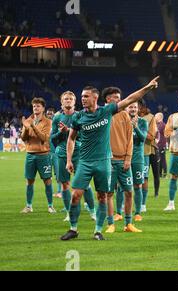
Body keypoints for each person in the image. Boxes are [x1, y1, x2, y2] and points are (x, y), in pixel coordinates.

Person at [60, 76, 159, 241]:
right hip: (84, 161)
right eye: (82, 96)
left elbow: (130, 99)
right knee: (76, 195)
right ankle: (73, 228)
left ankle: (98, 230)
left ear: (95, 97)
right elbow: (71, 138)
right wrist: (69, 160)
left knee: (103, 196)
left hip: (104, 162)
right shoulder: (78, 117)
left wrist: (148, 87)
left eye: (86, 96)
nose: (83, 99)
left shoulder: (106, 112)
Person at [50, 91, 96, 221]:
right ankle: (69, 213)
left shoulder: (81, 116)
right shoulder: (57, 117)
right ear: (61, 102)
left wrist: (68, 131)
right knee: (65, 185)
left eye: (71, 98)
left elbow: (85, 135)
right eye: (66, 99)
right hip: (62, 154)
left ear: (75, 102)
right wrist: (60, 133)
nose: (68, 100)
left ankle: (93, 211)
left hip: (79, 153)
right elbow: (52, 138)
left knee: (85, 183)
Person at [102, 87, 141, 234]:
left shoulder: (125, 115)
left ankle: (128, 224)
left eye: (119, 97)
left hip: (123, 160)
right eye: (115, 97)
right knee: (109, 193)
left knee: (129, 192)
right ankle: (110, 223)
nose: (118, 100)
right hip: (108, 161)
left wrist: (128, 158)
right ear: (108, 99)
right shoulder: (103, 114)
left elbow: (130, 138)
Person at [20, 98, 55, 214]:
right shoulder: (28, 120)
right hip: (30, 155)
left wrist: (32, 127)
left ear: (43, 108)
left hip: (43, 155)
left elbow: (44, 138)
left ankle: (50, 206)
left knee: (47, 180)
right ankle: (29, 206)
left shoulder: (48, 122)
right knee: (29, 181)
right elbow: (23, 138)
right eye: (34, 106)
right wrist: (25, 128)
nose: (36, 108)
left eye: (38, 106)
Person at [127, 101, 148, 222]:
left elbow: (143, 138)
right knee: (122, 186)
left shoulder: (142, 122)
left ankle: (138, 212)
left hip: (137, 158)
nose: (133, 109)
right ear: (126, 108)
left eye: (135, 107)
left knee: (137, 185)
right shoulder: (121, 121)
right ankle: (119, 212)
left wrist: (135, 126)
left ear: (138, 109)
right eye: (131, 107)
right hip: (123, 157)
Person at [140, 102, 159, 200]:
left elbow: (152, 136)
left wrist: (138, 130)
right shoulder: (128, 116)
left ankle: (155, 194)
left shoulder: (151, 117)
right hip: (131, 151)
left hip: (148, 150)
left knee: (148, 175)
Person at [155, 112, 167, 178]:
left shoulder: (163, 125)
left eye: (156, 116)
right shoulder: (157, 125)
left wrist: (165, 144)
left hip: (162, 145)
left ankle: (164, 174)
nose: (155, 117)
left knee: (163, 160)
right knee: (159, 159)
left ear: (159, 117)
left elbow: (166, 135)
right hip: (158, 145)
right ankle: (159, 174)